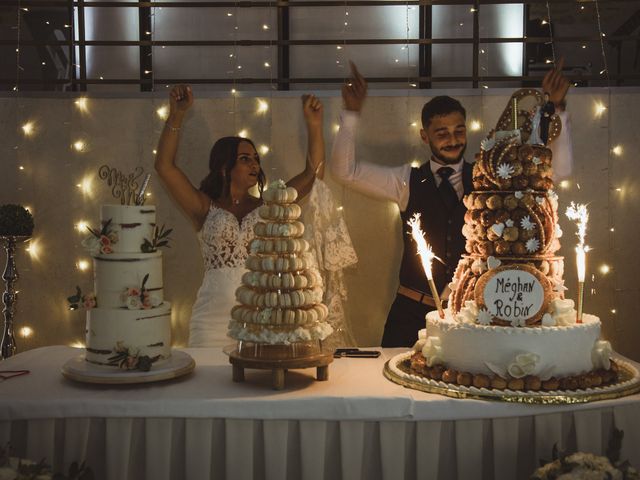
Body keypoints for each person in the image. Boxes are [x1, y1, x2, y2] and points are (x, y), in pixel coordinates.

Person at [330, 60, 573, 347]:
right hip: (411, 312)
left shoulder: (490, 177)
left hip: (468, 314)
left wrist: (557, 109)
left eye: (459, 131)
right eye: (441, 133)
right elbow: (345, 171)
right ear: (425, 136)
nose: (452, 140)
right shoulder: (406, 180)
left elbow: (560, 171)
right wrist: (351, 113)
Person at [155, 85, 324, 347]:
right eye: (245, 158)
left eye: (256, 158)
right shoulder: (203, 205)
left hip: (260, 320)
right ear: (224, 166)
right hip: (211, 321)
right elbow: (164, 166)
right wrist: (176, 114)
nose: (255, 164)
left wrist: (314, 125)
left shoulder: (270, 207)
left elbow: (314, 176)